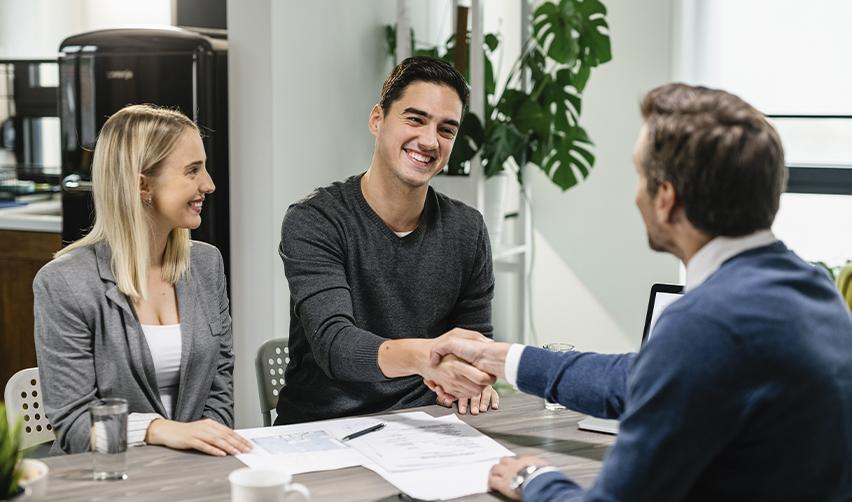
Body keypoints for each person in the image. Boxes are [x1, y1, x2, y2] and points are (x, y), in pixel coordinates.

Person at [429, 84, 852, 501]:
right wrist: (496, 356)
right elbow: (638, 378)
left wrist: (534, 479)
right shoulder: (814, 288)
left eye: (639, 175)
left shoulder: (706, 324)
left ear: (666, 198)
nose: (636, 194)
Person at [275, 56, 497, 425]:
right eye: (415, 119)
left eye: (447, 130)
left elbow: (474, 342)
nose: (429, 141)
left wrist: (476, 376)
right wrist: (428, 357)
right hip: (324, 430)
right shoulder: (315, 221)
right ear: (377, 119)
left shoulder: (467, 229)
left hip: (428, 425)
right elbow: (337, 346)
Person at [34, 104, 252, 457]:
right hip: (108, 480)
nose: (208, 184)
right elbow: (74, 428)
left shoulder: (206, 264)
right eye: (192, 170)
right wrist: (159, 430)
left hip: (198, 473)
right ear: (141, 184)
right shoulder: (65, 282)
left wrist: (198, 460)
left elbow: (220, 387)